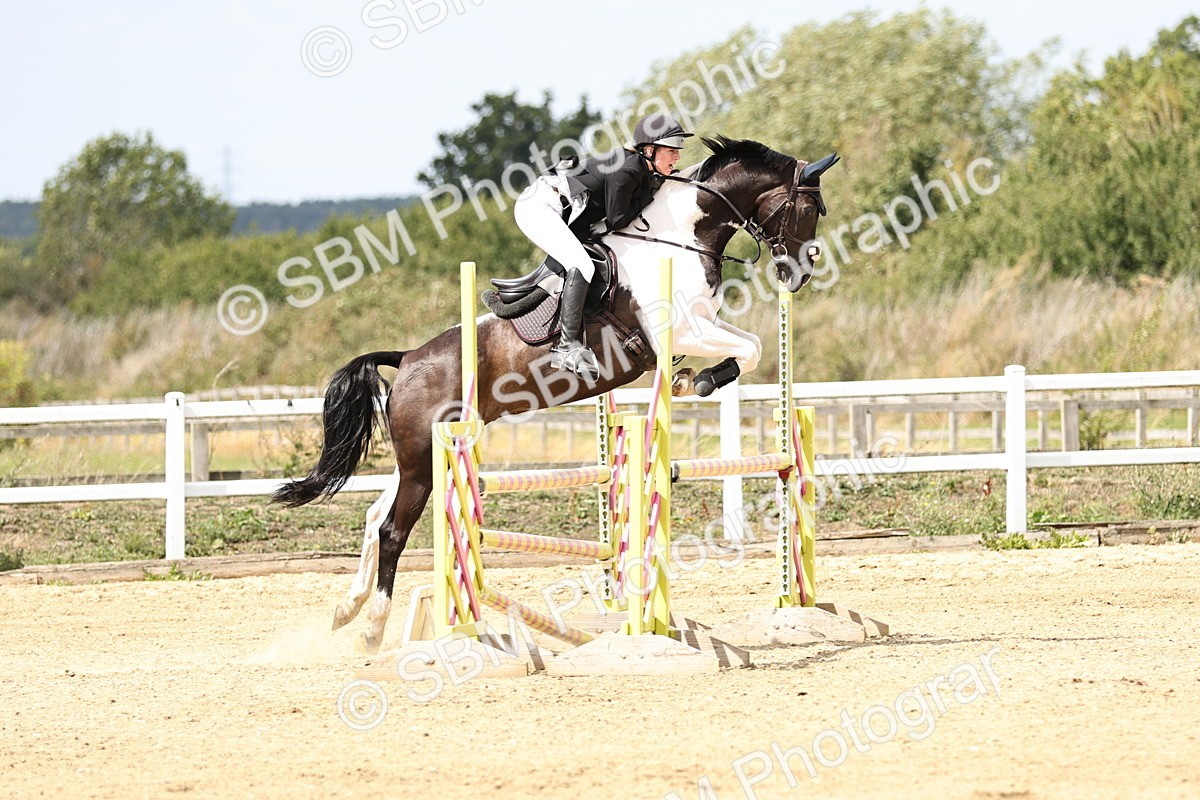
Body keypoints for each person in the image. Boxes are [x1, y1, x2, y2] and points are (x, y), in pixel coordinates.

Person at [514, 112, 693, 379]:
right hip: (539, 207)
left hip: (560, 210)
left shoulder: (640, 168)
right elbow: (618, 219)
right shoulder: (628, 169)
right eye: (671, 150)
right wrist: (651, 190)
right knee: (582, 264)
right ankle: (567, 347)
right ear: (649, 150)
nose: (677, 157)